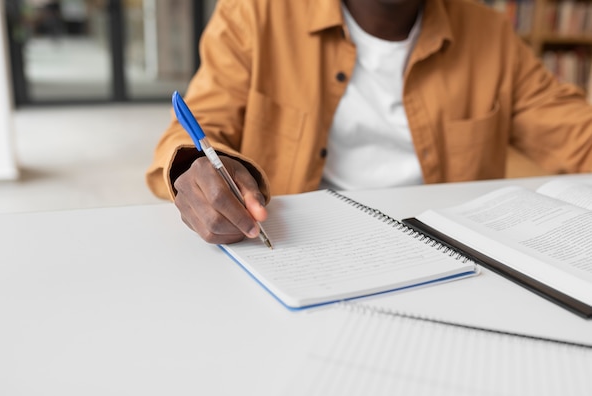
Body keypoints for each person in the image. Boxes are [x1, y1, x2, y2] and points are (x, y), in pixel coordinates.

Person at [146, 0, 592, 244]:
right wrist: (200, 172)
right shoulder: (255, 15)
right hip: (304, 246)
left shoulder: (490, 34)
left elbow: (576, 133)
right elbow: (187, 139)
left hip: (449, 252)